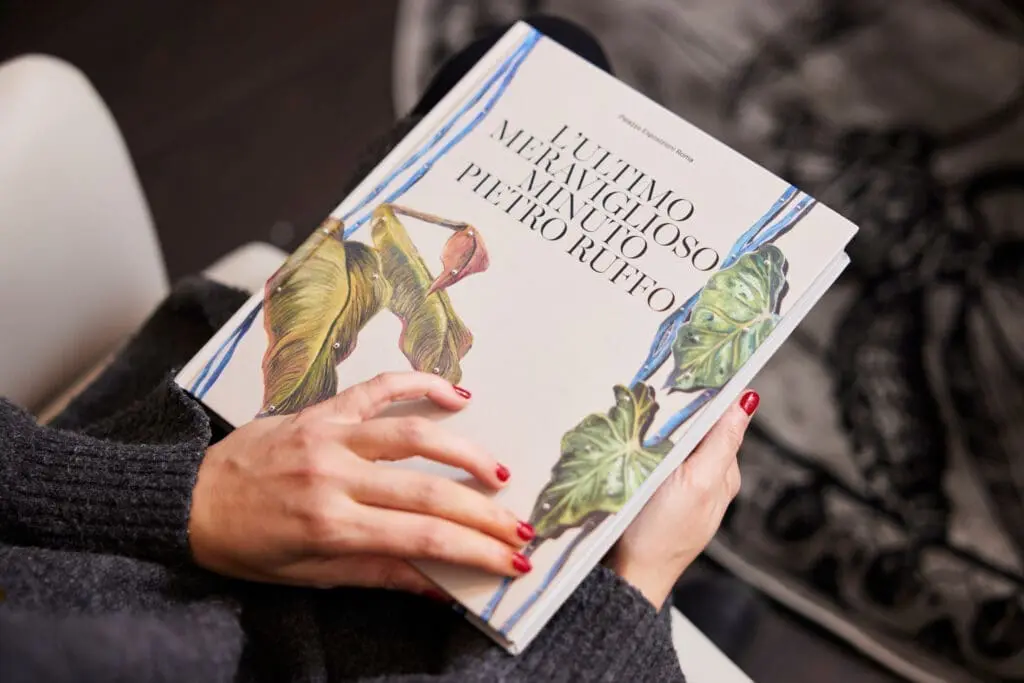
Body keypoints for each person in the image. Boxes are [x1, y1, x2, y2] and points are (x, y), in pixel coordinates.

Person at [0, 15, 757, 683]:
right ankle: (686, 600)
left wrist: (185, 498)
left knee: (545, 57)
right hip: (416, 630)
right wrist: (631, 590)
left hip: (154, 484)